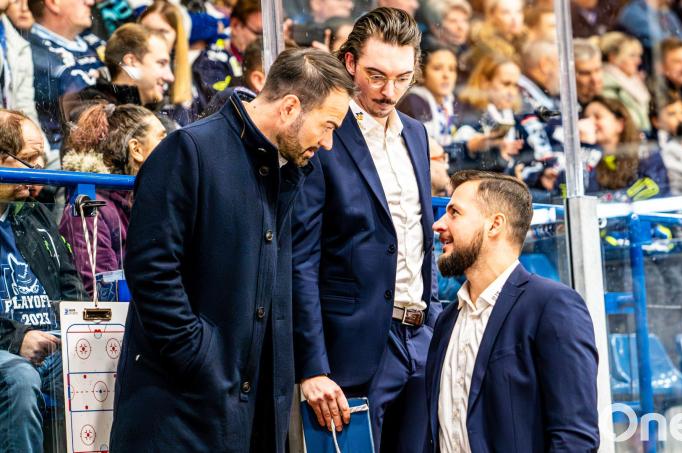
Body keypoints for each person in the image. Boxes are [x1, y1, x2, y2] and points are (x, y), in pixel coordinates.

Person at [110, 47, 354, 452]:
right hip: (178, 412)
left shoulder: (287, 171)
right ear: (291, 107)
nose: (328, 144)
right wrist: (202, 357)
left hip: (247, 412)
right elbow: (152, 272)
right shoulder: (187, 150)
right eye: (327, 126)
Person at [291, 8, 441, 452]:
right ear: (350, 62)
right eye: (376, 75)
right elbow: (301, 260)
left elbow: (418, 237)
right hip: (350, 351)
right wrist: (312, 365)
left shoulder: (416, 133)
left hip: (420, 338)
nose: (388, 91)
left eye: (402, 78)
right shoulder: (322, 132)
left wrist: (431, 319)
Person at [426, 170, 599, 452]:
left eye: (454, 213)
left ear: (495, 224)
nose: (438, 224)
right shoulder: (446, 321)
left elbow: (574, 439)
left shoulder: (552, 306)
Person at [0, 109, 85, 453]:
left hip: (51, 348)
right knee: (20, 379)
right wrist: (17, 338)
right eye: (30, 160)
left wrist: (79, 327)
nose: (38, 177)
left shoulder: (33, 214)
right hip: (10, 350)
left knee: (114, 362)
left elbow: (70, 283)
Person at [59, 103, 166, 293]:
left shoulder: (144, 200)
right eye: (162, 139)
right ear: (136, 150)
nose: (170, 148)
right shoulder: (89, 206)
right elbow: (100, 291)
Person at [28, 0, 105, 153]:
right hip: (62, 164)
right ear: (53, 3)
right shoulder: (31, 53)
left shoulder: (96, 44)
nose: (90, 2)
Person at [62, 24, 175, 126]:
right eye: (161, 63)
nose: (170, 77)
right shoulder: (92, 114)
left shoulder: (159, 118)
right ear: (131, 61)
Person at [192, 0, 262, 110]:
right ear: (235, 25)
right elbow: (218, 105)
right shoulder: (211, 60)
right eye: (258, 33)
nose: (263, 39)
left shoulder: (252, 56)